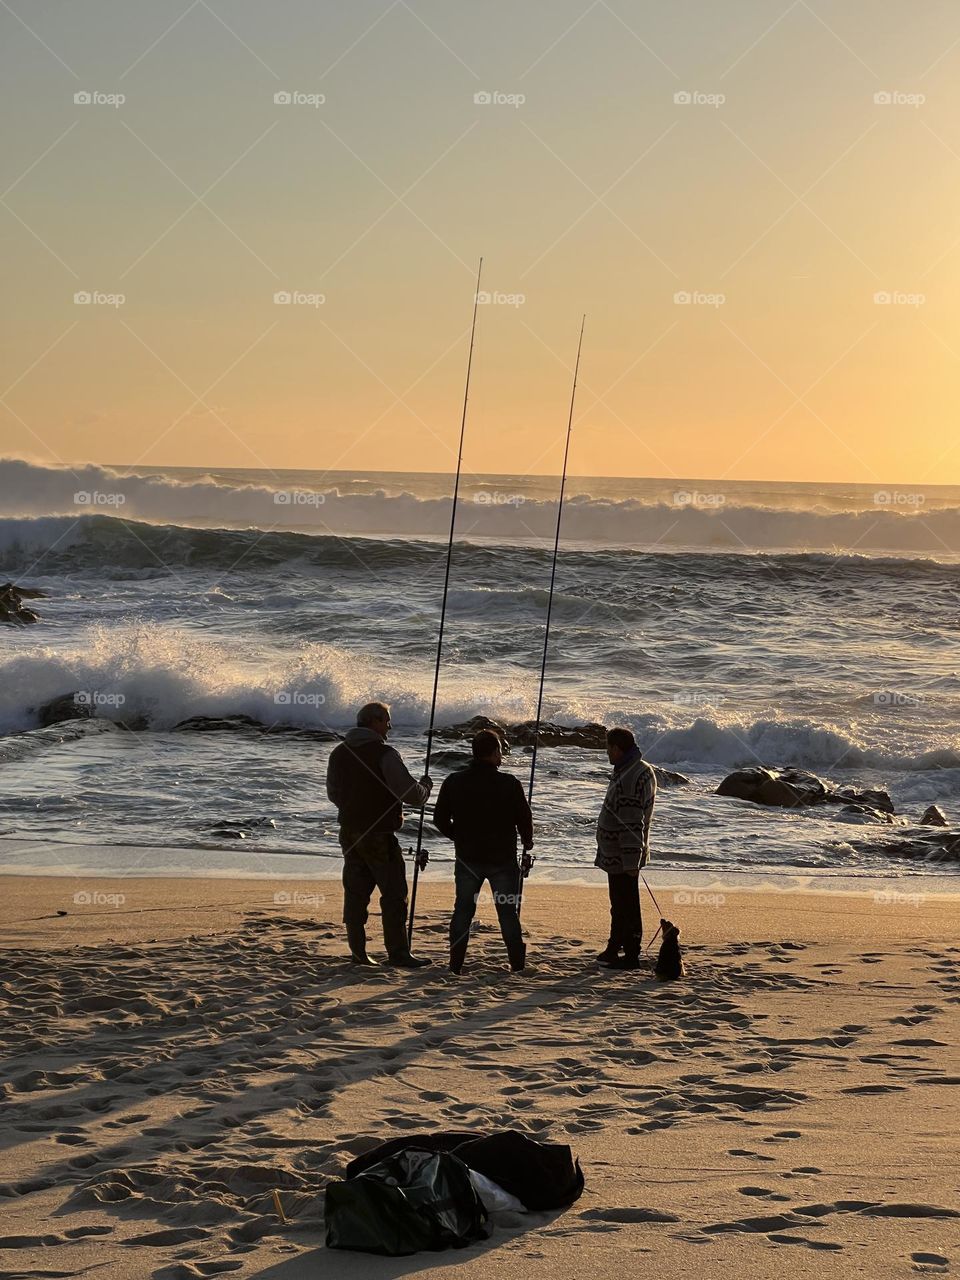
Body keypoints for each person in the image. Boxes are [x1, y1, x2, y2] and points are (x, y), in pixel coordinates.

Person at [326, 701, 432, 968]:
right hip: (379, 834)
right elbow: (410, 794)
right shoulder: (385, 754)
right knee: (394, 892)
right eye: (386, 720)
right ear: (374, 722)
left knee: (355, 891)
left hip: (349, 831)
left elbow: (333, 794)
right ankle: (398, 953)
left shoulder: (339, 753)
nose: (390, 726)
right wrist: (425, 789)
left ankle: (359, 952)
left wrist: (354, 808)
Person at [433, 728, 534, 974]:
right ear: (494, 753)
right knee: (507, 912)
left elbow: (439, 819)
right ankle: (517, 965)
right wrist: (527, 842)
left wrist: (458, 837)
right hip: (503, 859)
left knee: (463, 911)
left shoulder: (454, 781)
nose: (501, 756)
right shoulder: (509, 783)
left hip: (468, 858)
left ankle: (455, 964)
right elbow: (524, 818)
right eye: (500, 751)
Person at [595, 726, 657, 969]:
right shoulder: (631, 769)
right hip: (619, 854)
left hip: (624, 855)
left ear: (618, 749)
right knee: (619, 903)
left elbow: (632, 824)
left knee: (626, 904)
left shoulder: (631, 776)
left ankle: (631, 954)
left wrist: (631, 863)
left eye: (608, 748)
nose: (607, 753)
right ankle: (615, 946)